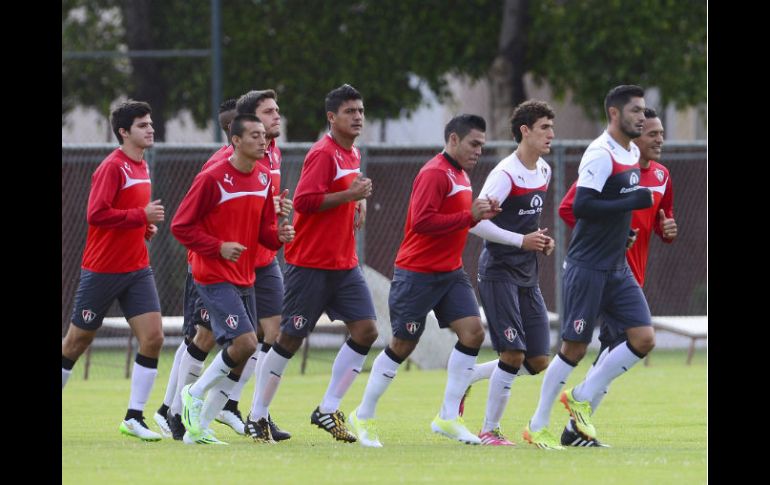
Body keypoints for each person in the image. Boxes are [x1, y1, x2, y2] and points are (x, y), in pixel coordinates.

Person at [346, 114, 500, 447]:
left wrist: (480, 213)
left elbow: (457, 220)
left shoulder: (460, 174)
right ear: (454, 140)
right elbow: (422, 222)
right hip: (417, 273)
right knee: (403, 344)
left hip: (450, 273)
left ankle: (448, 415)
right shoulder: (434, 172)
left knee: (473, 332)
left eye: (482, 146)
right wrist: (468, 215)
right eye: (474, 144)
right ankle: (363, 414)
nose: (478, 152)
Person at [522, 85, 655, 450]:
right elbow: (582, 205)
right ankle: (537, 425)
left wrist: (622, 230)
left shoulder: (629, 150)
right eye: (635, 111)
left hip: (616, 265)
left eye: (643, 111)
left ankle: (582, 394)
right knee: (574, 349)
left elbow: (608, 206)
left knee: (643, 338)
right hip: (588, 267)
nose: (642, 117)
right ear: (614, 113)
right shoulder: (600, 153)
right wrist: (633, 200)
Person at [245, 84, 377, 443]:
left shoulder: (353, 153)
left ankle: (327, 408)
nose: (358, 117)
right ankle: (256, 416)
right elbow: (304, 200)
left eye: (361, 111)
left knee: (367, 330)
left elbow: (346, 191)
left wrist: (357, 203)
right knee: (289, 339)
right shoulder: (323, 153)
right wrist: (350, 195)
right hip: (310, 264)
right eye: (350, 112)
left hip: (344, 263)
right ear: (331, 118)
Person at [555, 107, 676, 447]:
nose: (659, 139)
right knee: (615, 349)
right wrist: (603, 240)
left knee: (612, 353)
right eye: (652, 133)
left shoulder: (663, 176)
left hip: (630, 277)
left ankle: (574, 429)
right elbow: (570, 208)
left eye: (661, 133)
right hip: (603, 271)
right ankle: (572, 417)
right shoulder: (610, 166)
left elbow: (663, 221)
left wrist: (667, 230)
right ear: (635, 137)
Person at [171, 114, 295, 445]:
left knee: (243, 351)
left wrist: (280, 234)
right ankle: (192, 394)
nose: (263, 139)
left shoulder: (264, 178)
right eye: (254, 135)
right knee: (245, 343)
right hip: (211, 275)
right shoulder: (213, 178)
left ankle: (199, 426)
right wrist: (218, 247)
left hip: (245, 276)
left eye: (263, 135)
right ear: (235, 141)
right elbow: (180, 226)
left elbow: (264, 234)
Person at [61, 100, 166, 441]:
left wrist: (144, 229)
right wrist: (140, 217)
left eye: (150, 123)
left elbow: (128, 213)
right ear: (124, 132)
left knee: (153, 338)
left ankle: (134, 417)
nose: (150, 129)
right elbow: (96, 214)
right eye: (142, 125)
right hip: (102, 270)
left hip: (137, 268)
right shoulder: (113, 167)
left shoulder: (143, 166)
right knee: (77, 342)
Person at [464, 101, 557, 445]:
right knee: (513, 354)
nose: (551, 134)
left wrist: (540, 243)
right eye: (545, 127)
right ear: (525, 131)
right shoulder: (505, 174)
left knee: (536, 360)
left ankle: (467, 378)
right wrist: (521, 241)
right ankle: (489, 430)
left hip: (526, 274)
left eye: (551, 127)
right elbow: (475, 224)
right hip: (499, 272)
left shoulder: (544, 171)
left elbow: (526, 226)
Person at [153, 98, 238, 439]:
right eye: (264, 115)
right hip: (209, 268)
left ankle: (205, 408)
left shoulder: (262, 161)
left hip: (242, 268)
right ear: (237, 129)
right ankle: (175, 413)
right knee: (202, 337)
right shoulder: (217, 167)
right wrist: (216, 248)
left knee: (253, 336)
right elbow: (185, 223)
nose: (269, 125)